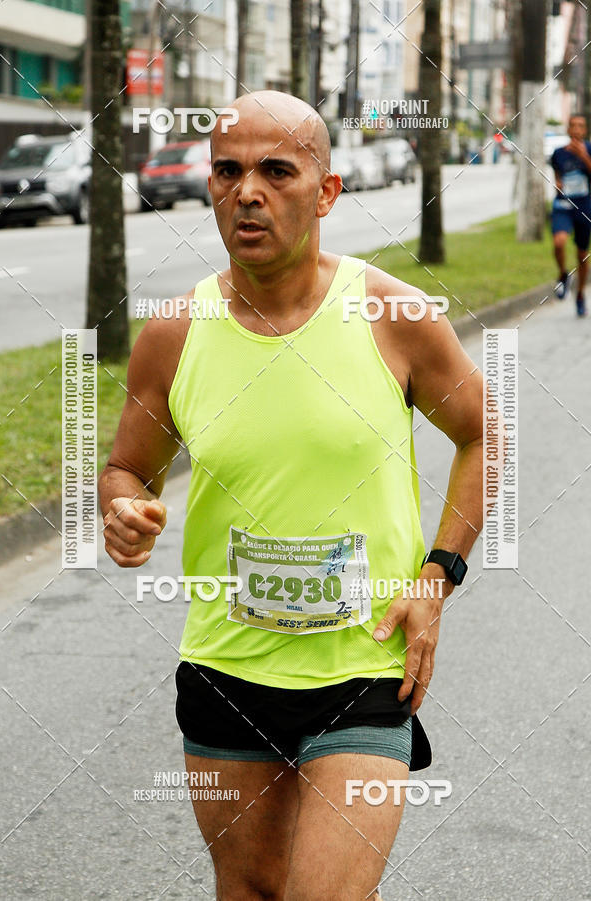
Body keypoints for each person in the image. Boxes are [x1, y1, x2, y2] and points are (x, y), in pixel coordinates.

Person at [99, 91, 484, 900]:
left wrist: (436, 577)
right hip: (225, 671)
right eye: (228, 171)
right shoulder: (174, 335)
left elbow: (483, 436)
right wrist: (123, 508)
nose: (249, 192)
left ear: (328, 190)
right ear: (209, 186)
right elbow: (126, 468)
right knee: (251, 891)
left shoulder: (394, 315)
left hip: (365, 670)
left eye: (277, 170)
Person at [550, 113, 591, 316]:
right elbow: (557, 178)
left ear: (585, 130)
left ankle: (581, 294)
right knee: (558, 243)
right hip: (562, 206)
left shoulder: (590, 150)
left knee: (582, 256)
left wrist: (584, 156)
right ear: (567, 129)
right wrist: (557, 184)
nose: (576, 129)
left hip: (583, 207)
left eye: (580, 126)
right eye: (572, 125)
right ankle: (563, 274)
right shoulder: (558, 153)